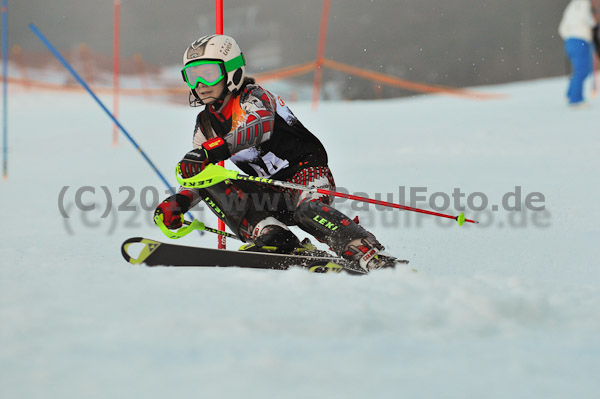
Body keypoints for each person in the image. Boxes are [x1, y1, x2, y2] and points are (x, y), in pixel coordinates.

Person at [153, 34, 396, 272]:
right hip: (269, 191)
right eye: (192, 77)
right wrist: (181, 201)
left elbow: (260, 126)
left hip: (307, 176)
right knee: (207, 178)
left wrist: (211, 150)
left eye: (208, 74)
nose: (200, 85)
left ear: (232, 72)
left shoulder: (254, 97)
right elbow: (200, 171)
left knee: (307, 211)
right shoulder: (206, 124)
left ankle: (365, 251)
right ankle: (275, 238)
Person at [559, 0, 597, 106]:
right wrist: (593, 23)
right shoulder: (584, 4)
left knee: (579, 70)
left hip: (570, 41)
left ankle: (570, 94)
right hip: (580, 40)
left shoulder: (571, 6)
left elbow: (562, 28)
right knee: (582, 71)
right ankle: (576, 100)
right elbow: (586, 20)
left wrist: (570, 38)